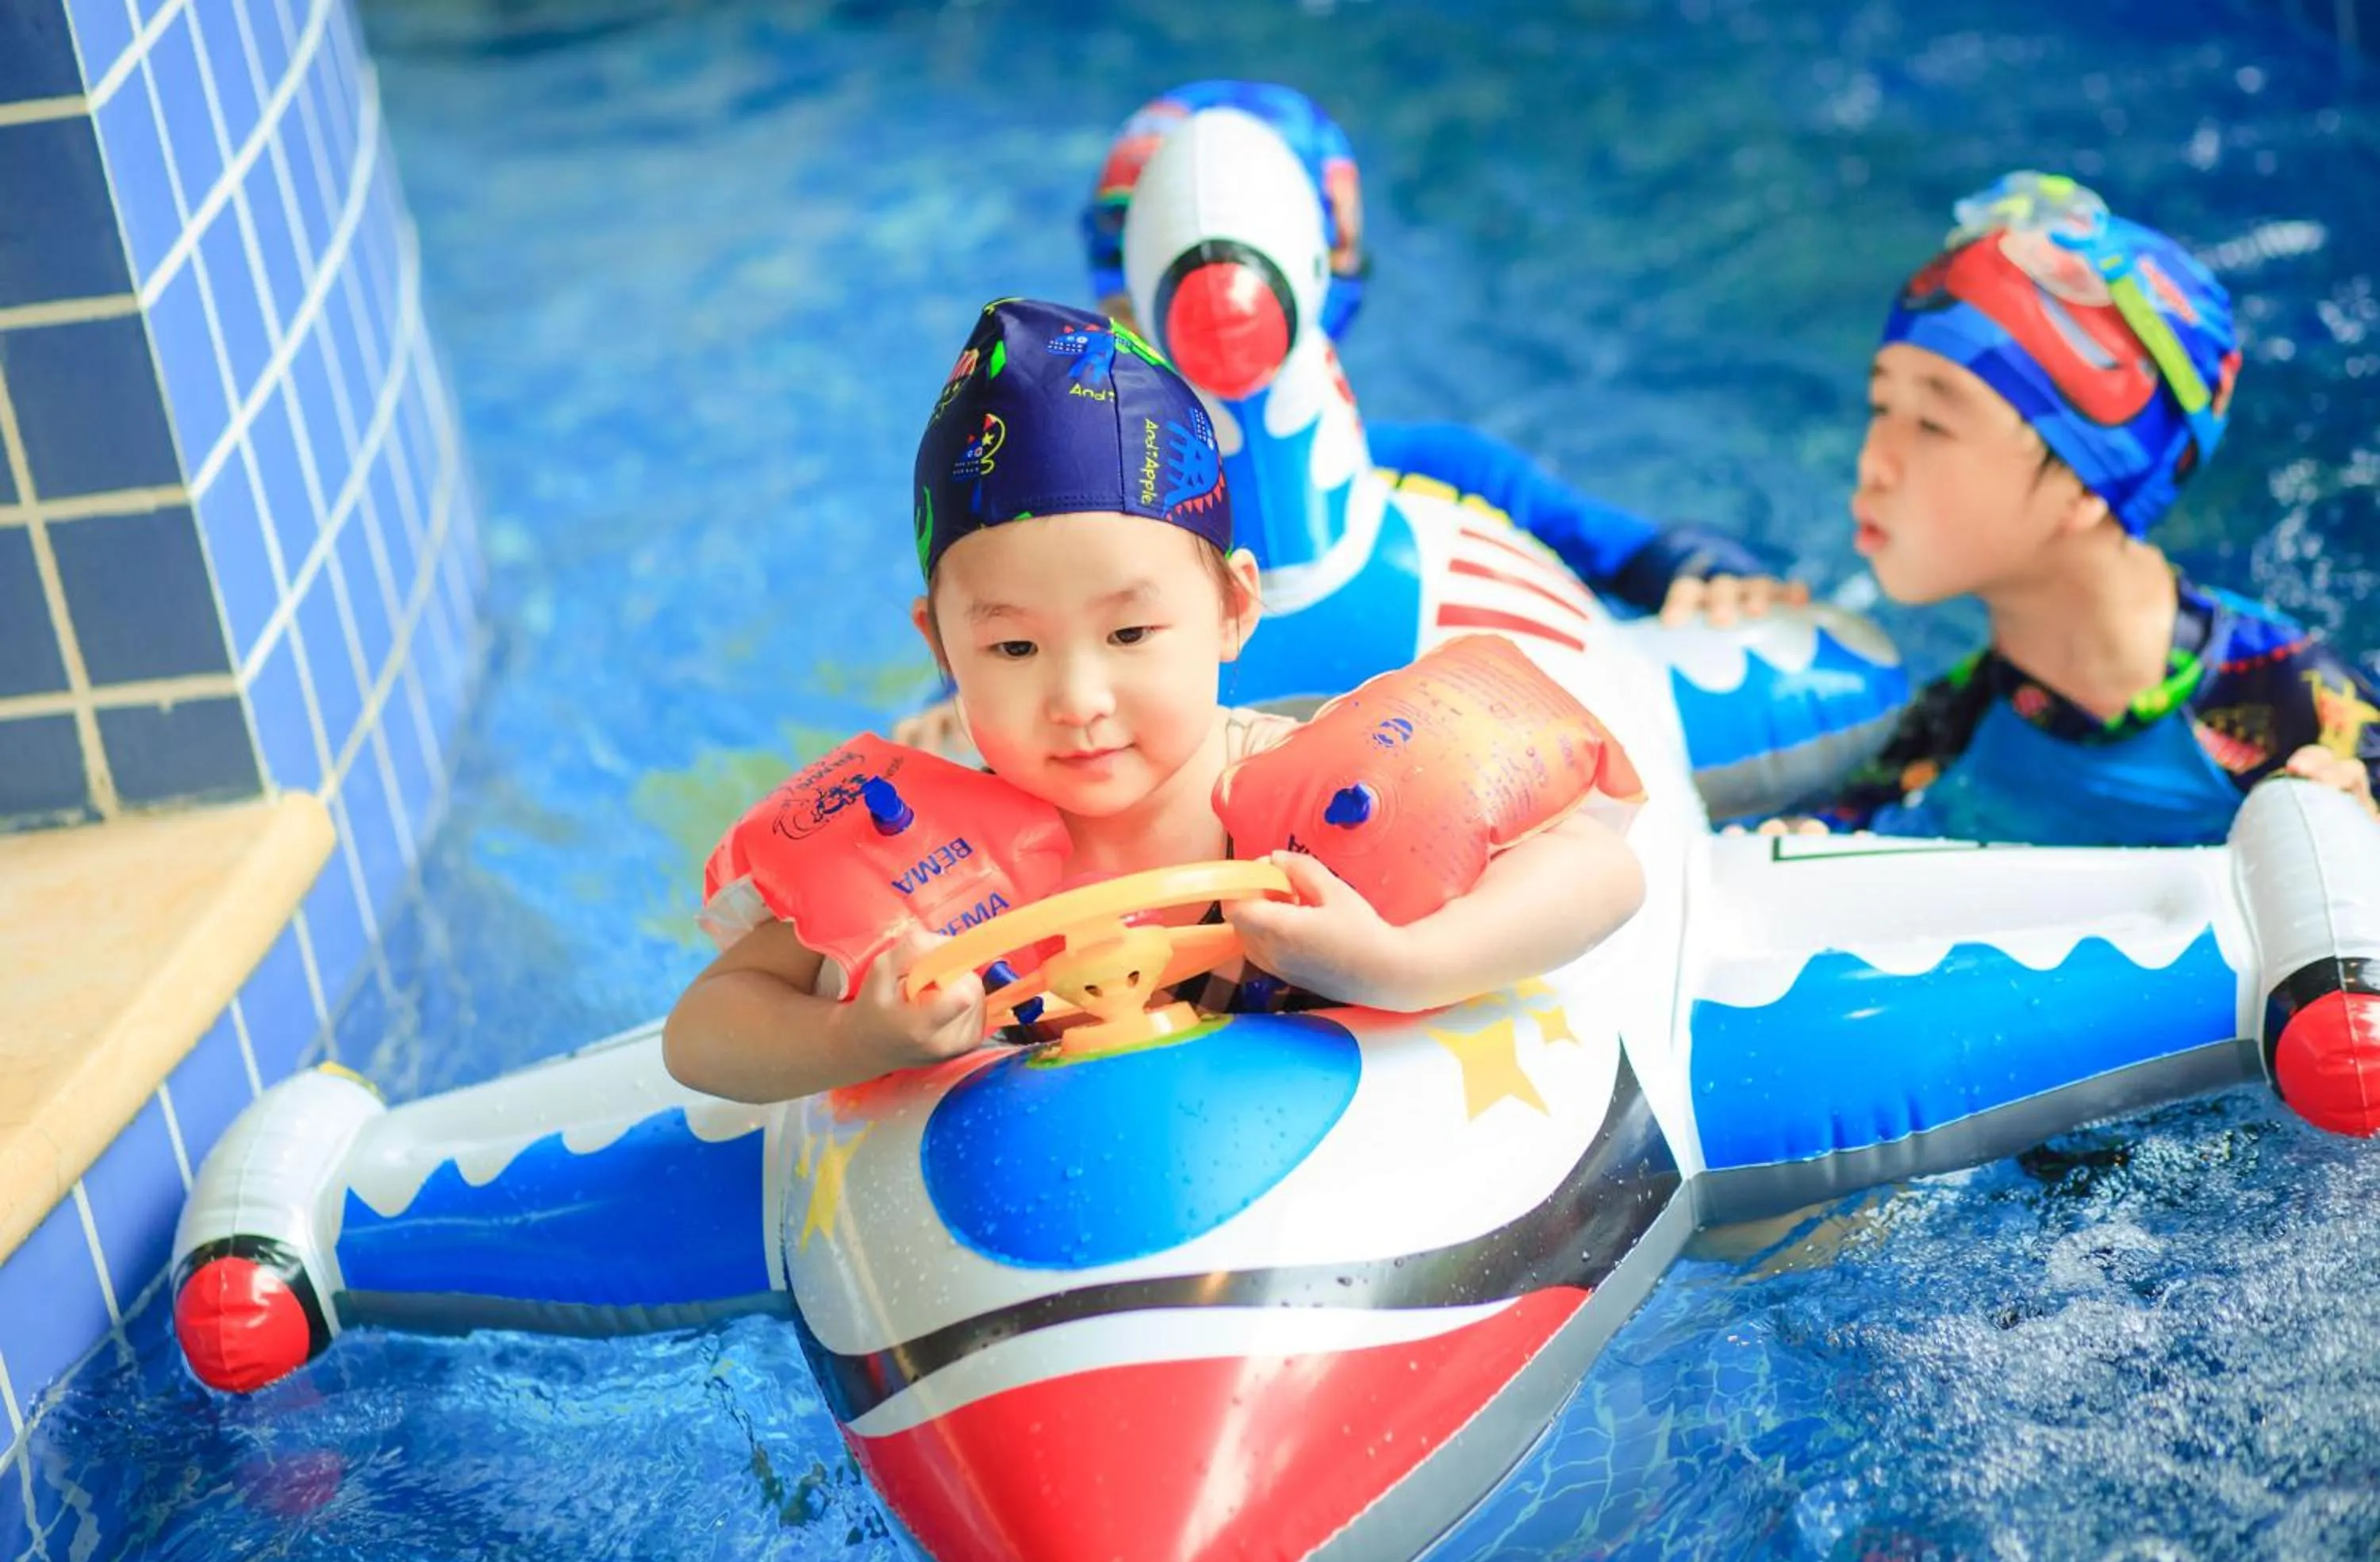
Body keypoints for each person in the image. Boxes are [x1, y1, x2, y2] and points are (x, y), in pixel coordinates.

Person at [663, 299, 1648, 1103]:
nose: (1079, 700)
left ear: (1232, 608)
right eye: (1012, 646)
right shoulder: (933, 863)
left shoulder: (1310, 791)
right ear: (940, 647)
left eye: (1130, 634)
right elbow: (702, 1031)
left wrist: (1402, 961)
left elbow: (1602, 870)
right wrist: (855, 1034)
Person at [891, 82, 1801, 756]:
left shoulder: (1448, 472)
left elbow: (1636, 554)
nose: (1218, 318)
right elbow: (1025, 642)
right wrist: (949, 710)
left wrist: (1712, 580)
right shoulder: (1085, 529)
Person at [1804, 172, 2379, 843]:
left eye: (1932, 423)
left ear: (2085, 487)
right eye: (1880, 408)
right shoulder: (1945, 730)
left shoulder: (2302, 710)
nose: (1874, 460)